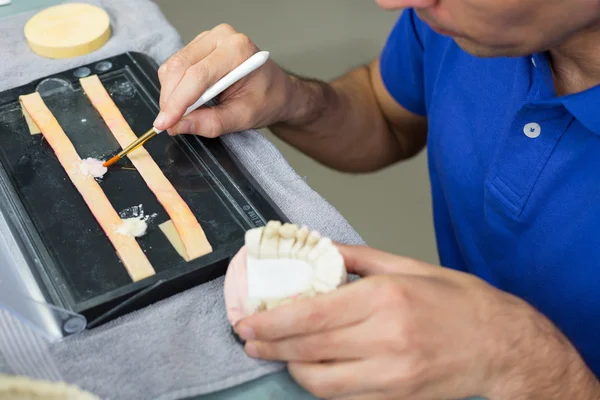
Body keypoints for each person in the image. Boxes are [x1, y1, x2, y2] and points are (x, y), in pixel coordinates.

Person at [154, 0, 600, 399]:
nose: (392, 2)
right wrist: (293, 99)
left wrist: (534, 365)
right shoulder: (464, 24)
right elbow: (386, 115)